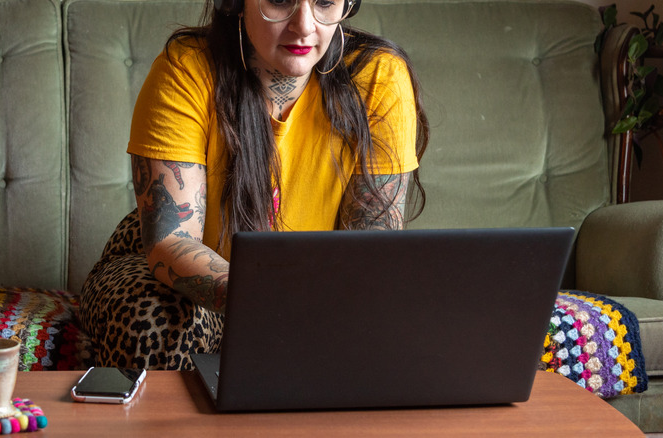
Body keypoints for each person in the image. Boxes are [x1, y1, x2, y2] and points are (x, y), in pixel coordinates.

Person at [80, 0, 429, 370]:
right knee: (155, 321)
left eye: (325, 1)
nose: (305, 26)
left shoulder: (379, 76)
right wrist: (268, 298)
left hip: (309, 292)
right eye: (279, 0)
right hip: (176, 263)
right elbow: (171, 241)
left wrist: (309, 309)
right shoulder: (185, 67)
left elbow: (370, 252)